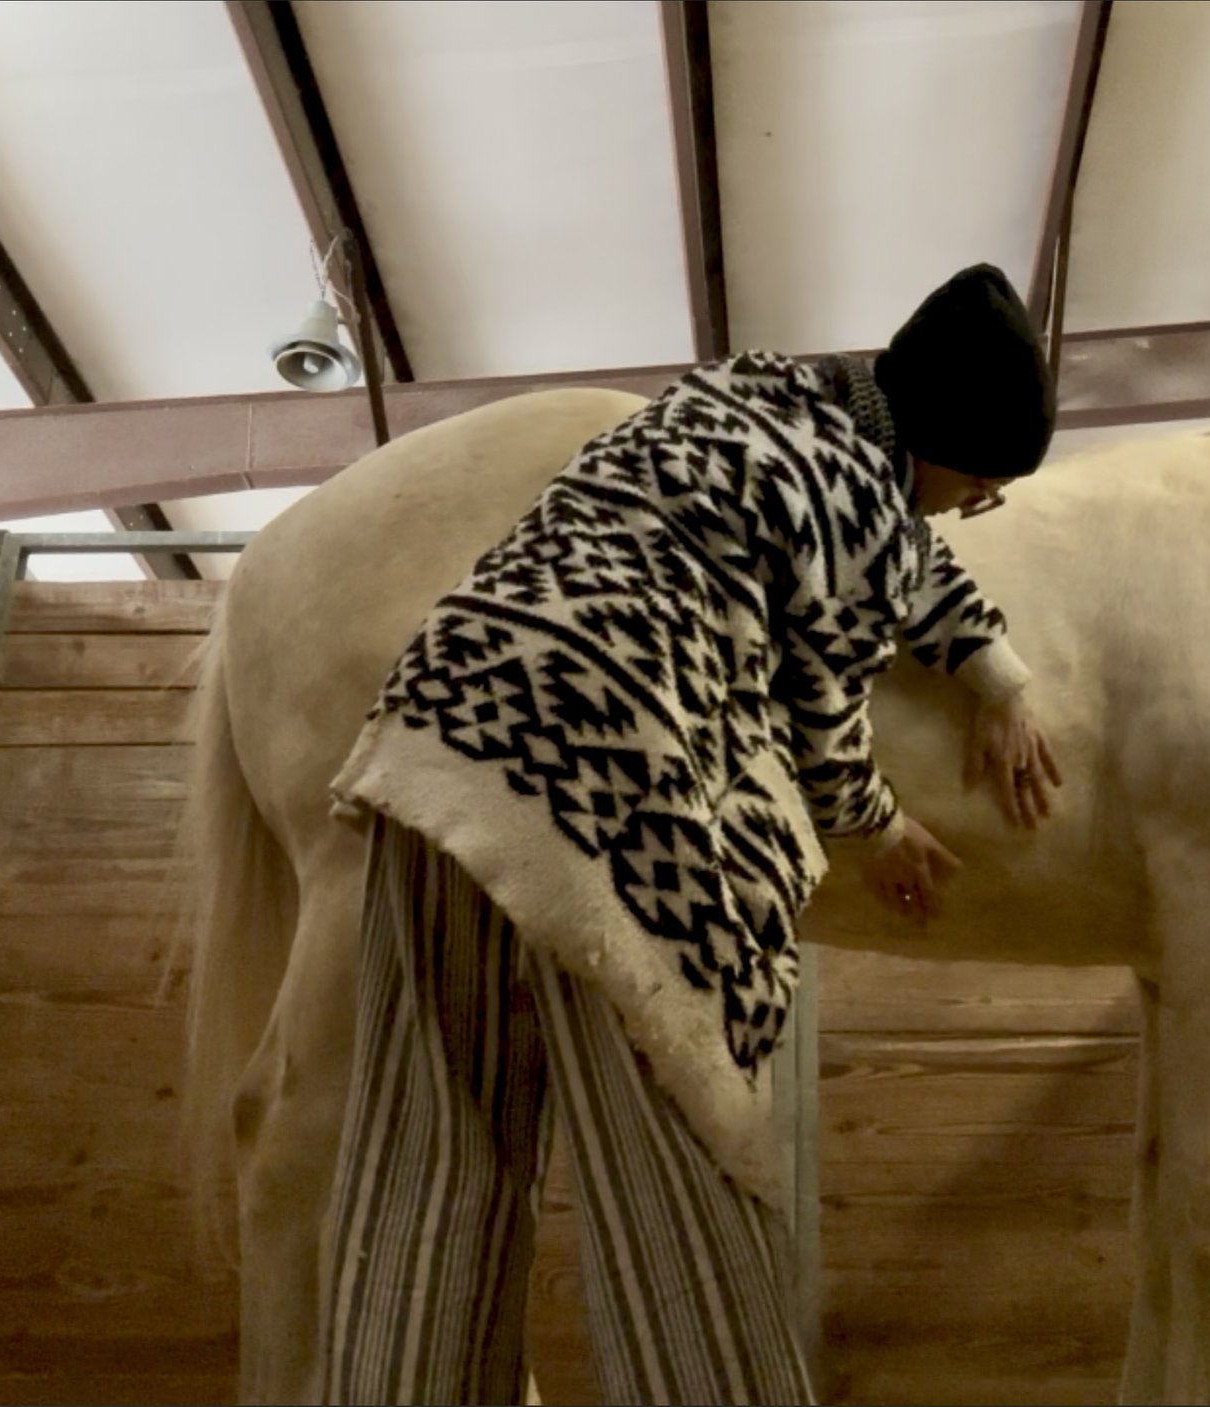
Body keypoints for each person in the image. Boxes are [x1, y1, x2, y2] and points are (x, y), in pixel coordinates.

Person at [323, 264, 1063, 1404]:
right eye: (978, 486)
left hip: (438, 727)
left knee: (429, 1151)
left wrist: (996, 677)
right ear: (938, 444)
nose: (967, 509)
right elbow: (826, 708)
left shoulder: (738, 401)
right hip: (609, 771)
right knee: (682, 1159)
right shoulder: (864, 502)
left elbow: (903, 560)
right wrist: (877, 827)